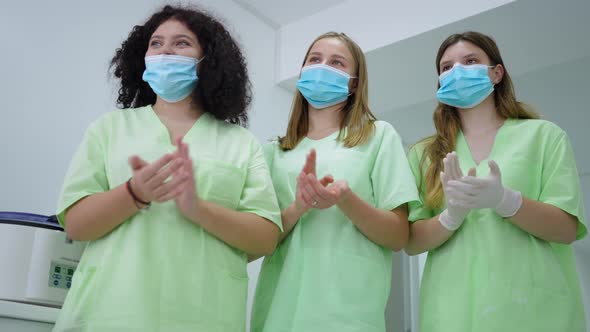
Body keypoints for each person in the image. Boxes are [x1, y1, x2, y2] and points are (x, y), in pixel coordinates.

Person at [53, 5, 282, 331]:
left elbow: (265, 238)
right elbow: (75, 225)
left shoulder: (240, 143)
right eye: (156, 43)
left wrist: (198, 209)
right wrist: (134, 193)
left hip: (205, 314)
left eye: (182, 43)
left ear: (209, 61)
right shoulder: (109, 130)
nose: (165, 52)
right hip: (111, 311)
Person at [405, 31, 587, 331]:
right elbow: (410, 242)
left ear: (496, 73)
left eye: (471, 60)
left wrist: (506, 201)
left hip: (533, 313)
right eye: (447, 67)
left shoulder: (544, 136)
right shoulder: (424, 154)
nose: (458, 71)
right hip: (452, 312)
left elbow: (567, 229)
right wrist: (451, 217)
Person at [251, 32, 418, 332]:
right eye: (314, 60)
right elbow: (257, 244)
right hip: (279, 314)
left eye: (336, 62)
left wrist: (346, 200)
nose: (322, 67)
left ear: (354, 83)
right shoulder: (274, 152)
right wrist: (298, 208)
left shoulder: (378, 137)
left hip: (348, 316)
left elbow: (398, 236)